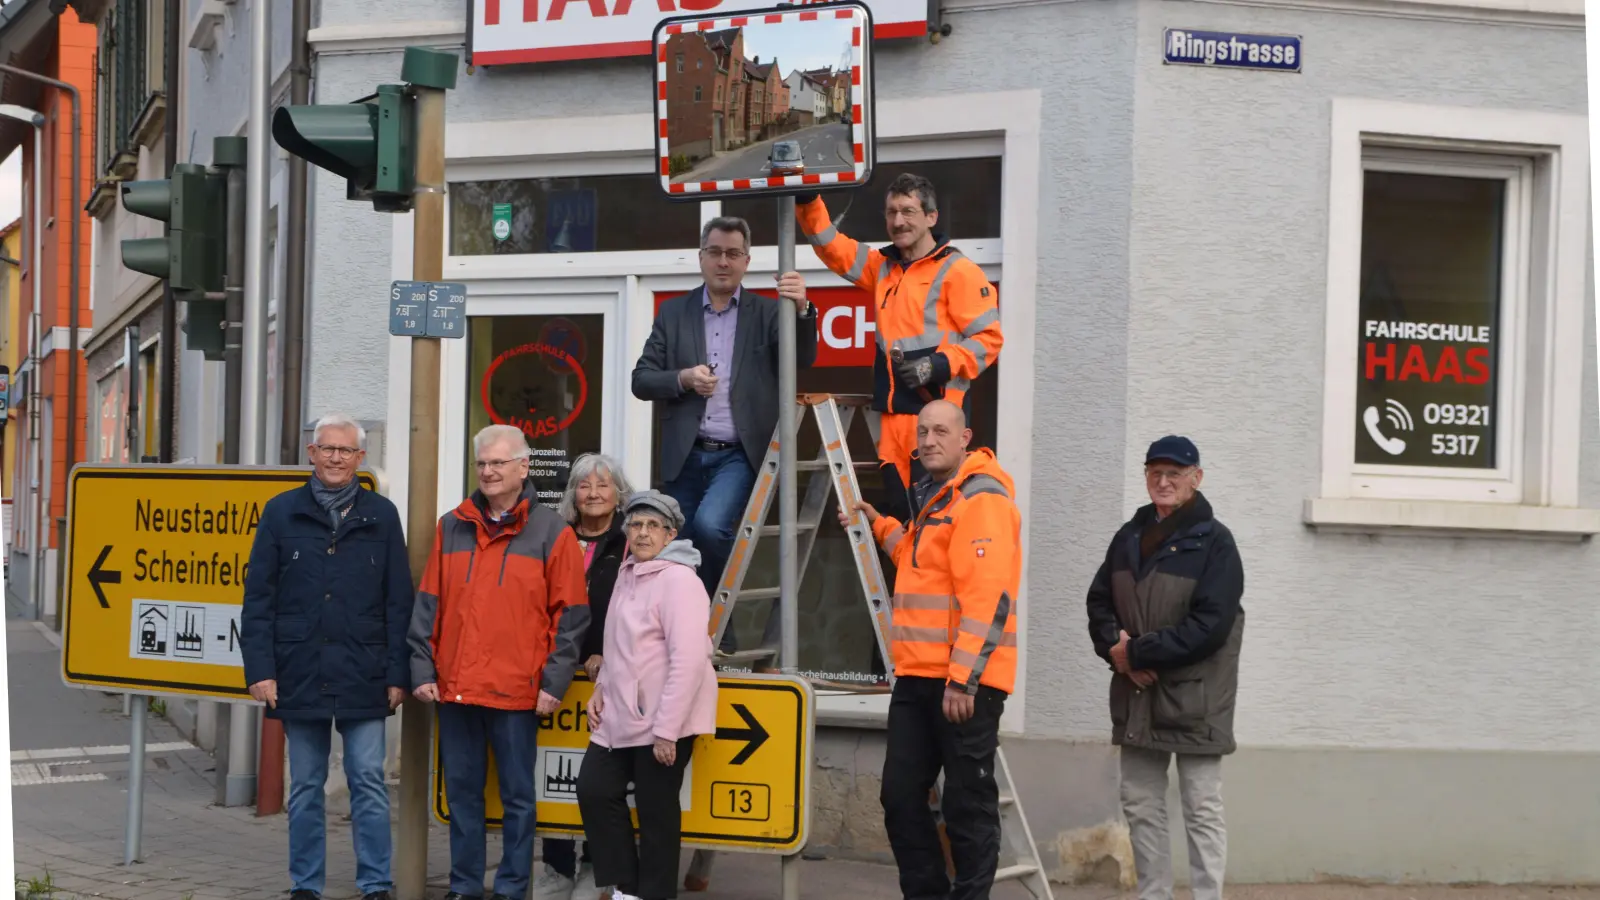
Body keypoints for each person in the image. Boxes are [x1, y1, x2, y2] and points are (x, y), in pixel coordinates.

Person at [837, 399, 1021, 900]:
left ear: (966, 438)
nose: (928, 440)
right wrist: (879, 524)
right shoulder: (940, 497)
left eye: (941, 431)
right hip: (917, 679)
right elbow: (918, 559)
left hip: (962, 685)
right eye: (922, 432)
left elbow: (987, 598)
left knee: (967, 808)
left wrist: (963, 678)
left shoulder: (980, 499)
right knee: (898, 798)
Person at [408, 424, 590, 900]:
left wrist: (554, 683)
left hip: (517, 691)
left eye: (497, 463)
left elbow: (570, 617)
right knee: (463, 797)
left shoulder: (553, 532)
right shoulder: (452, 525)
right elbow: (428, 602)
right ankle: (465, 887)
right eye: (482, 464)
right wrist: (422, 669)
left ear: (523, 467)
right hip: (457, 688)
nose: (487, 472)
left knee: (517, 801)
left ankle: (511, 889)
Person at [240, 413, 413, 900]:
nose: (337, 458)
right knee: (305, 786)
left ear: (361, 459)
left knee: (369, 783)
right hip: (299, 669)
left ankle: (376, 884)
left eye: (347, 451)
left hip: (366, 670)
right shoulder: (281, 513)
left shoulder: (382, 514)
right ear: (311, 454)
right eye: (328, 449)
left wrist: (398, 672)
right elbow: (258, 600)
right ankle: (306, 886)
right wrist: (260, 670)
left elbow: (398, 600)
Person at [630, 215, 818, 656]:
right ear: (701, 257)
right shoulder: (673, 312)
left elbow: (803, 358)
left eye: (733, 254)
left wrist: (804, 310)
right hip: (684, 453)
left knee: (711, 528)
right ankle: (695, 634)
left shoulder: (768, 312)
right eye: (715, 252)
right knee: (676, 544)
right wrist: (683, 378)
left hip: (738, 453)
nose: (723, 262)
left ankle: (716, 623)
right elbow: (642, 380)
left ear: (746, 261)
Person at [1085, 436, 1245, 900]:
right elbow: (1099, 602)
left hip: (1197, 700)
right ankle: (1153, 894)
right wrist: (1114, 651)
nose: (1164, 481)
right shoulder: (1128, 535)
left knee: (1201, 806)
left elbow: (1210, 626)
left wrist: (1136, 654)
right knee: (1140, 804)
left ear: (1197, 479)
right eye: (1155, 471)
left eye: (1175, 473)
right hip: (1137, 694)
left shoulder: (1216, 543)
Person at [797, 174, 1003, 524]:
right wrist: (807, 200)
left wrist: (937, 365)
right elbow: (832, 248)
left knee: (935, 525)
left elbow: (989, 340)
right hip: (892, 423)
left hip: (936, 419)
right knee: (903, 522)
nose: (897, 221)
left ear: (931, 217)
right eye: (891, 212)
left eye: (908, 211)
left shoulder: (959, 272)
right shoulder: (882, 268)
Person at [578, 490, 719, 900]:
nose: (642, 533)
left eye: (653, 526)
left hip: (664, 718)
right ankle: (628, 887)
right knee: (593, 790)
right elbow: (617, 644)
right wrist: (600, 690)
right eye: (636, 525)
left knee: (657, 813)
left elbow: (689, 659)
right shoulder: (627, 572)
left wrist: (667, 731)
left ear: (670, 534)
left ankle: (652, 894)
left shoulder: (680, 581)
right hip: (620, 713)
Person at [534, 453, 635, 900]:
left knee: (599, 778)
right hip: (557, 673)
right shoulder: (554, 537)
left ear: (619, 494)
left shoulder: (632, 540)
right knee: (555, 772)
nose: (593, 494)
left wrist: (605, 653)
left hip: (606, 675)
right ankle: (556, 867)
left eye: (603, 486)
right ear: (572, 495)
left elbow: (634, 609)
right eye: (584, 486)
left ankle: (597, 870)